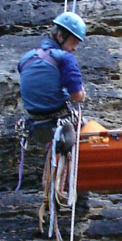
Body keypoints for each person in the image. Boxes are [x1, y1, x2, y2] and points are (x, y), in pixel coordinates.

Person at [17, 11, 88, 198]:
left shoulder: (25, 59)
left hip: (35, 128)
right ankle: (79, 198)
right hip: (60, 126)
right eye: (73, 42)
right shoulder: (64, 58)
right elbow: (77, 95)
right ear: (60, 36)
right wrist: (81, 94)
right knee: (88, 141)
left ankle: (54, 188)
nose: (74, 48)